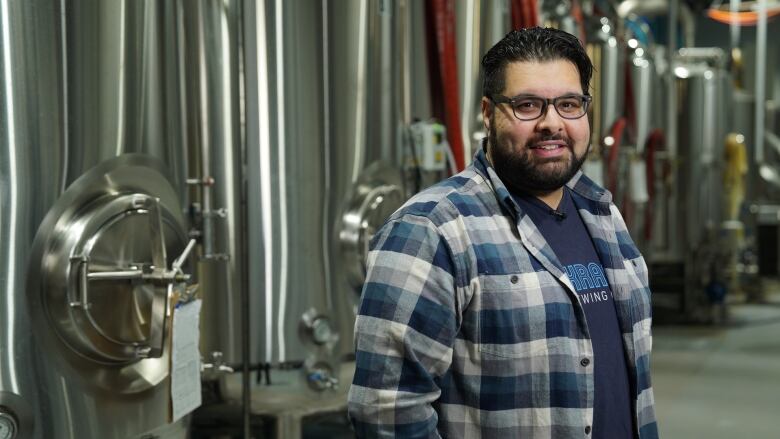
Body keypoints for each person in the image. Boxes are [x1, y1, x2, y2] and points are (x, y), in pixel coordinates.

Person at [348, 27, 658, 438]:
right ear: (488, 112)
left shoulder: (603, 215)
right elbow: (386, 413)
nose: (552, 123)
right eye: (528, 105)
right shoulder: (431, 230)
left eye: (569, 104)